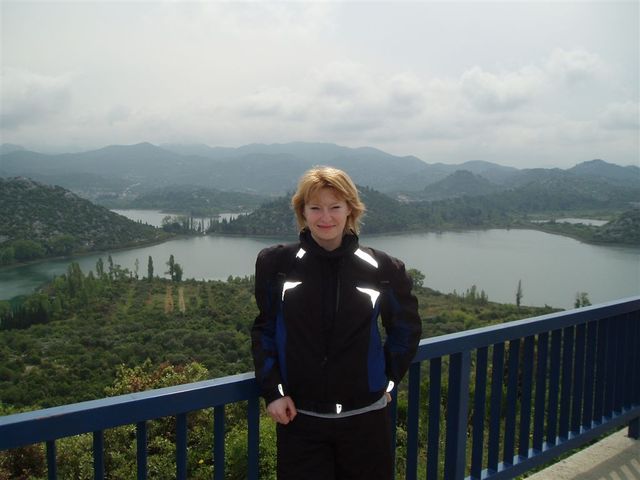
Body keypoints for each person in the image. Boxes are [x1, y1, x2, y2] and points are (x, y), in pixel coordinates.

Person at [251, 166, 422, 480]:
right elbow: (265, 330)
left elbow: (406, 330)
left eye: (335, 207)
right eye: (315, 208)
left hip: (366, 420)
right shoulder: (278, 265)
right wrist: (274, 391)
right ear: (303, 212)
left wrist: (386, 382)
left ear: (350, 210)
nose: (325, 217)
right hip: (300, 419)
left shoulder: (383, 268)